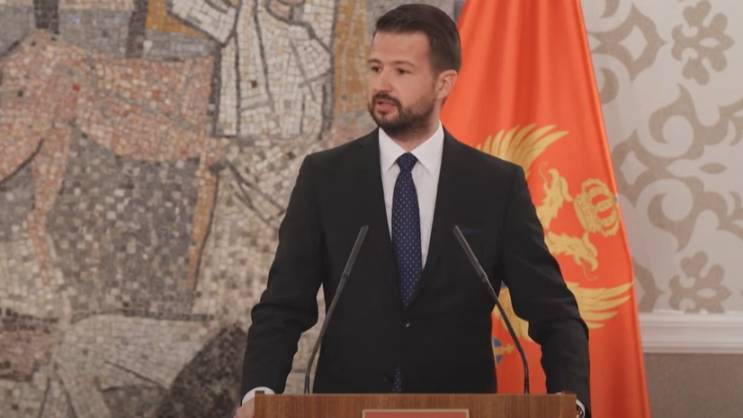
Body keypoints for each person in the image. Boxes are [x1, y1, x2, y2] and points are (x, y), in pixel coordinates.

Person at [234, 4, 590, 418]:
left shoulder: (496, 185)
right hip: (346, 407)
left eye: (401, 71)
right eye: (375, 68)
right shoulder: (324, 177)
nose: (382, 84)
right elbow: (282, 306)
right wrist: (257, 395)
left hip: (461, 410)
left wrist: (572, 403)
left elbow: (554, 312)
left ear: (444, 83)